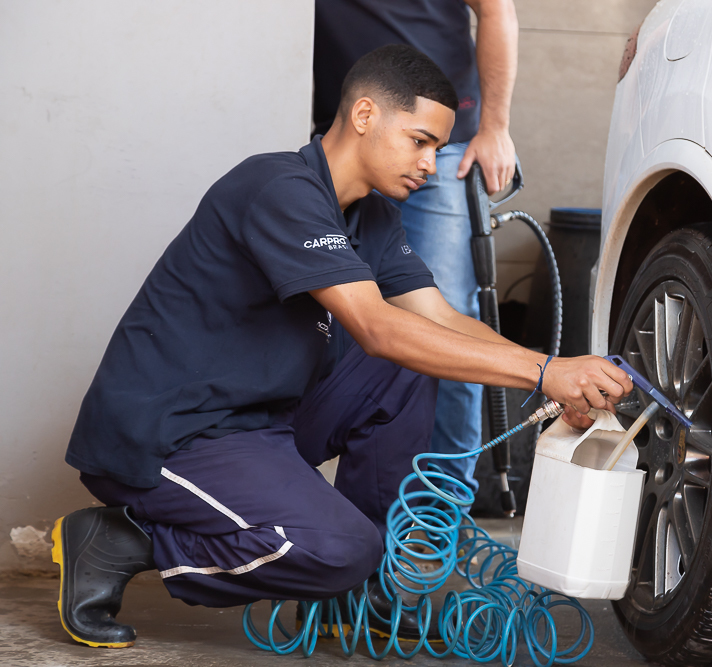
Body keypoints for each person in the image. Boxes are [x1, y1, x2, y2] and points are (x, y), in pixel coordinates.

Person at [54, 45, 631, 649]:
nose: (431, 164)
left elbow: (437, 319)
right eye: (420, 141)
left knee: (406, 372)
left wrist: (558, 374)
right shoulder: (277, 187)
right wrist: (545, 372)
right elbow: (378, 329)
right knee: (340, 550)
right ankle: (117, 542)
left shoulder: (373, 217)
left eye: (437, 147)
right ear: (363, 116)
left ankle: (362, 594)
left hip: (259, 422)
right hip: (169, 433)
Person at [313, 0, 518, 500]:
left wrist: (494, 127)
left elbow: (497, 11)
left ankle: (440, 510)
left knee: (437, 317)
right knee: (331, 322)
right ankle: (336, 501)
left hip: (438, 142)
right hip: (336, 134)